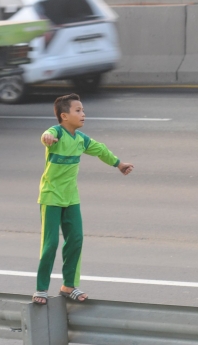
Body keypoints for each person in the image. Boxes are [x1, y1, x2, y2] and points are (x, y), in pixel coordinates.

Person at [32, 93, 134, 305]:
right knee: (50, 244)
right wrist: (47, 138)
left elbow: (100, 149)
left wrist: (119, 164)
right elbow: (46, 134)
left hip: (71, 198)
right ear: (64, 116)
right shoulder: (56, 134)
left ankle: (69, 286)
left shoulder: (81, 140)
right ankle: (41, 288)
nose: (83, 114)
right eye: (78, 111)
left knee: (76, 239)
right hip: (51, 196)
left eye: (83, 110)